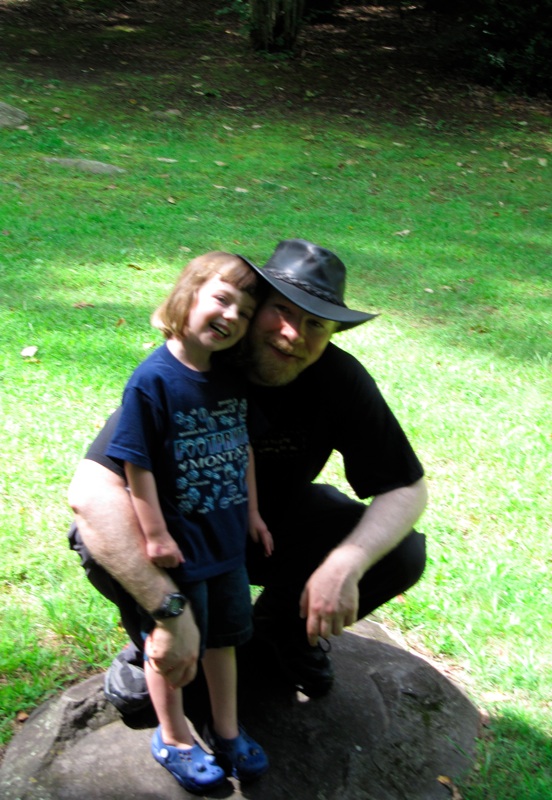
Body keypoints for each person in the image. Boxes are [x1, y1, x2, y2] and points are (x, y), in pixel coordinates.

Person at [68, 238, 428, 715]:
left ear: (330, 337)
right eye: (281, 310)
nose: (293, 334)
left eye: (315, 324)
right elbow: (92, 493)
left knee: (401, 551)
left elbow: (406, 487)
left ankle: (278, 634)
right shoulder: (194, 366)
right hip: (183, 542)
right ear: (253, 308)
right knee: (98, 538)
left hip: (269, 533)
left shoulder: (338, 379)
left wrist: (345, 564)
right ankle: (153, 640)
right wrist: (168, 612)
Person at [102, 251, 272, 792]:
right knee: (171, 644)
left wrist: (253, 512)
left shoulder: (230, 380)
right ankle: (173, 736)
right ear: (189, 295)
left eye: (243, 313)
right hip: (183, 547)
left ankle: (226, 731)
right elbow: (136, 462)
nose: (230, 316)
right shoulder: (152, 380)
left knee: (225, 639)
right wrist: (153, 534)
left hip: (226, 543)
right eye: (221, 298)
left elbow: (240, 446)